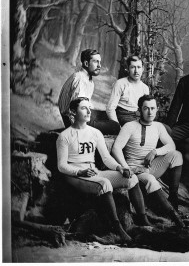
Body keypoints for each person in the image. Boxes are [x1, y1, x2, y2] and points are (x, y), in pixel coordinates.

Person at [56, 97, 151, 245]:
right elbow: (61, 166)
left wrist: (120, 168)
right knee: (105, 183)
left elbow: (106, 158)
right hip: (75, 175)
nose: (89, 111)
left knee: (132, 179)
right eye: (83, 108)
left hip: (93, 172)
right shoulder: (65, 136)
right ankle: (117, 228)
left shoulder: (95, 133)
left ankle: (143, 220)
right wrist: (79, 172)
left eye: (89, 108)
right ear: (73, 112)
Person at [112, 95, 185, 228]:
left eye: (153, 108)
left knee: (176, 155)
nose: (150, 112)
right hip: (134, 169)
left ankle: (173, 198)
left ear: (157, 109)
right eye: (146, 108)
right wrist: (126, 168)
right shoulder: (130, 126)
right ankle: (173, 216)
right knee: (151, 180)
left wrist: (155, 152)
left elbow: (171, 145)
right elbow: (116, 148)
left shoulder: (158, 127)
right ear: (140, 110)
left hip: (150, 167)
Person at [58, 49, 120, 134]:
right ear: (86, 63)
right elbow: (78, 109)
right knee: (115, 126)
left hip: (80, 116)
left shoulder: (88, 79)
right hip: (76, 121)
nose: (99, 66)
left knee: (113, 115)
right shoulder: (81, 79)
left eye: (100, 62)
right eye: (95, 62)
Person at [106, 56, 149, 126]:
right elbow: (110, 108)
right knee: (137, 128)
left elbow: (145, 110)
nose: (136, 71)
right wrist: (117, 125)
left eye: (139, 67)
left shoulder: (145, 88)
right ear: (128, 69)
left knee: (164, 129)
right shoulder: (120, 84)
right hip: (123, 115)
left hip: (138, 116)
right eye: (132, 67)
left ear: (143, 69)